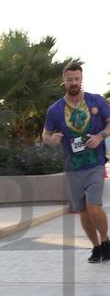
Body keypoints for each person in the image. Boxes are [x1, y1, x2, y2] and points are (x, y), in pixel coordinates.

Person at [43, 63, 110, 263]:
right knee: (82, 210)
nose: (74, 82)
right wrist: (51, 140)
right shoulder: (55, 109)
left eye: (77, 79)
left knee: (93, 206)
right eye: (70, 79)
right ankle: (96, 247)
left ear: (81, 79)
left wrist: (100, 136)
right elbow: (45, 135)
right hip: (73, 168)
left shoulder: (96, 100)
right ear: (64, 81)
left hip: (95, 163)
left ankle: (105, 242)